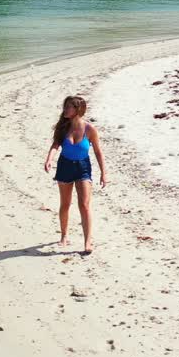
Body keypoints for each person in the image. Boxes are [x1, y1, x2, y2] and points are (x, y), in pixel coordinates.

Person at [42, 95, 107, 254]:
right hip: (65, 167)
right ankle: (64, 235)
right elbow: (55, 145)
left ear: (78, 110)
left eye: (68, 106)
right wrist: (49, 159)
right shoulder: (63, 127)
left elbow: (98, 152)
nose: (65, 109)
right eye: (65, 106)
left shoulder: (90, 130)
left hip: (83, 167)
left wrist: (104, 173)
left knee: (84, 205)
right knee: (65, 204)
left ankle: (87, 242)